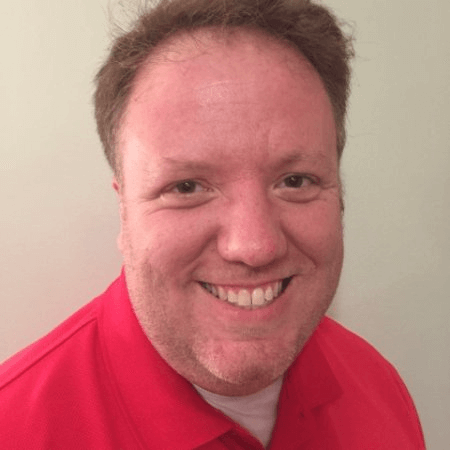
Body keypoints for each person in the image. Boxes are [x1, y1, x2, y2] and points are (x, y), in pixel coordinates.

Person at [0, 0, 425, 448]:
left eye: (295, 181)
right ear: (123, 210)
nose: (254, 246)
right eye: (187, 187)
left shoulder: (378, 386)